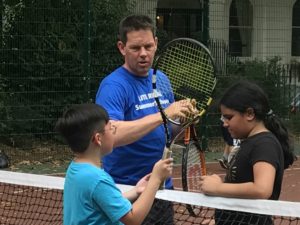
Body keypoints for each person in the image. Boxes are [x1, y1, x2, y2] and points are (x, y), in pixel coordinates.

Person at [95, 14, 195, 225]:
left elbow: (170, 129)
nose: (143, 54)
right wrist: (163, 114)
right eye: (135, 48)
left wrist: (185, 121)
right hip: (127, 190)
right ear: (122, 47)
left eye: (148, 46)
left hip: (162, 188)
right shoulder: (113, 86)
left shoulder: (162, 80)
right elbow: (112, 135)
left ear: (156, 44)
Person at [55, 103, 173, 225]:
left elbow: (103, 201)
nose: (114, 131)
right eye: (111, 128)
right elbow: (133, 219)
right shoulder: (98, 179)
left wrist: (136, 191)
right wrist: (156, 179)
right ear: (98, 138)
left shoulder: (75, 168)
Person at [199, 80, 296, 225]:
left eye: (229, 117)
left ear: (250, 114)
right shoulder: (251, 141)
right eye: (223, 117)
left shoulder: (264, 144)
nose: (224, 123)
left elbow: (262, 189)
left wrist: (218, 188)